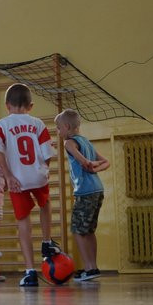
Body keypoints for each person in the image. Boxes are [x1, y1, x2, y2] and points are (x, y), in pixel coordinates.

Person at [0, 84, 61, 287]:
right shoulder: (38, 123)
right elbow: (47, 154)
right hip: (37, 176)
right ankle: (47, 242)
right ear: (30, 106)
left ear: (6, 105)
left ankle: (30, 271)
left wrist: (8, 175)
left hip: (17, 180)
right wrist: (44, 170)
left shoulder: (0, 125)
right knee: (45, 203)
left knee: (24, 224)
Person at [54, 109, 109, 282]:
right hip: (97, 190)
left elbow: (83, 162)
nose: (57, 132)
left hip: (85, 191)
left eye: (58, 128)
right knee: (89, 231)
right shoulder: (86, 141)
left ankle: (88, 268)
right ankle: (93, 267)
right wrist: (94, 167)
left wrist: (89, 164)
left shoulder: (69, 143)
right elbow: (106, 162)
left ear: (67, 126)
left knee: (78, 230)